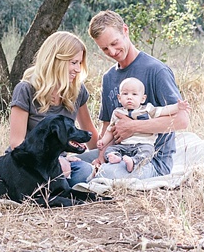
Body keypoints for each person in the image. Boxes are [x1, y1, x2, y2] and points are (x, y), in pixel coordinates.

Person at [80, 10, 190, 180]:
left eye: (114, 43)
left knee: (106, 173)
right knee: (68, 166)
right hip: (116, 152)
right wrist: (100, 156)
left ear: (125, 30)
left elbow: (182, 120)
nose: (112, 52)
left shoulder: (156, 71)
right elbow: (108, 126)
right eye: (105, 48)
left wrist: (133, 127)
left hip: (149, 159)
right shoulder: (109, 77)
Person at [7, 31, 99, 186]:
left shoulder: (77, 90)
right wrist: (56, 160)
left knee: (85, 170)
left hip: (61, 162)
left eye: (80, 63)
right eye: (73, 62)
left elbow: (90, 136)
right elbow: (16, 143)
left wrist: (105, 154)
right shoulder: (26, 89)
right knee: (69, 173)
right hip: (28, 163)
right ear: (56, 61)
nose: (78, 69)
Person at [95, 77, 191, 174]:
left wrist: (177, 107)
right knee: (110, 150)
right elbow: (110, 130)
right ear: (119, 98)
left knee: (148, 151)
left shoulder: (147, 109)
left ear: (143, 99)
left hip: (143, 144)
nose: (129, 97)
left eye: (134, 94)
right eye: (125, 94)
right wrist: (103, 142)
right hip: (123, 146)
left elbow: (164, 110)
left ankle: (133, 162)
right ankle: (116, 157)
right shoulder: (117, 112)